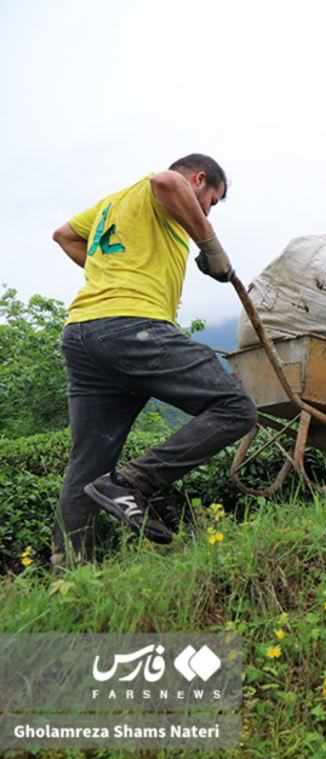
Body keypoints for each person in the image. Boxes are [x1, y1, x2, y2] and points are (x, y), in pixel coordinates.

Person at [50, 154, 258, 563]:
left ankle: (70, 570)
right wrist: (210, 244)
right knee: (236, 409)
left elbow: (64, 236)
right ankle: (132, 482)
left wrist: (110, 273)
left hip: (82, 332)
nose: (206, 210)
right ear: (199, 179)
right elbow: (166, 181)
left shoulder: (113, 204)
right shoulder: (160, 188)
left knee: (87, 463)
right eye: (211, 200)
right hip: (133, 326)